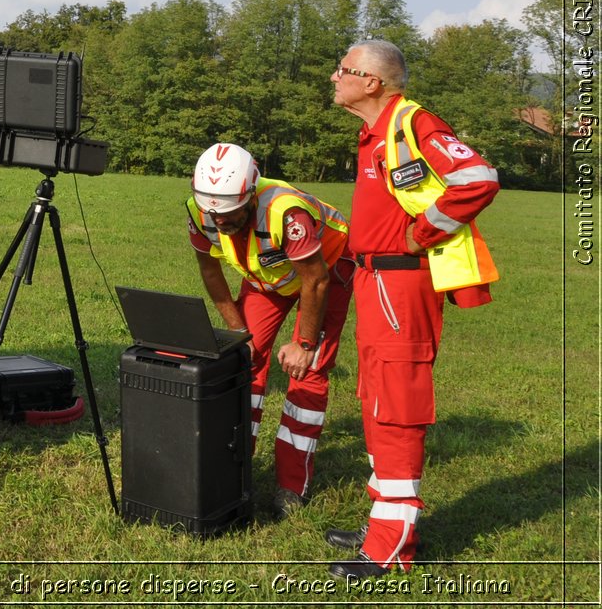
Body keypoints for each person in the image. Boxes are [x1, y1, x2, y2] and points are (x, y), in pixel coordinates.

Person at [324, 39, 499, 579]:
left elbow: (478, 179)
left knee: (397, 404)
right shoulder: (374, 132)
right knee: (377, 400)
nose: (334, 76)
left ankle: (391, 544)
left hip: (401, 284)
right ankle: (385, 522)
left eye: (344, 69)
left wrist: (422, 232)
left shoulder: (415, 124)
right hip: (374, 282)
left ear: (372, 81)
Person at [186, 142, 354, 519]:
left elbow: (315, 281)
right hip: (269, 275)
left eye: (230, 214)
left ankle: (292, 485)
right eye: (213, 215)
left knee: (305, 373)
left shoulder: (286, 212)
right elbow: (210, 271)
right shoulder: (201, 213)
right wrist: (238, 335)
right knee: (242, 362)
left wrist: (305, 343)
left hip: (325, 269)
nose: (219, 223)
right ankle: (237, 466)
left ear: (250, 195)